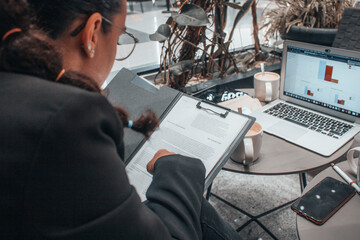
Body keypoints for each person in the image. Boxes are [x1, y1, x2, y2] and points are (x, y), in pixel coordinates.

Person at [0, 0, 241, 239]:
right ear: (92, 32)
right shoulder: (68, 118)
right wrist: (176, 168)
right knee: (193, 207)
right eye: (118, 39)